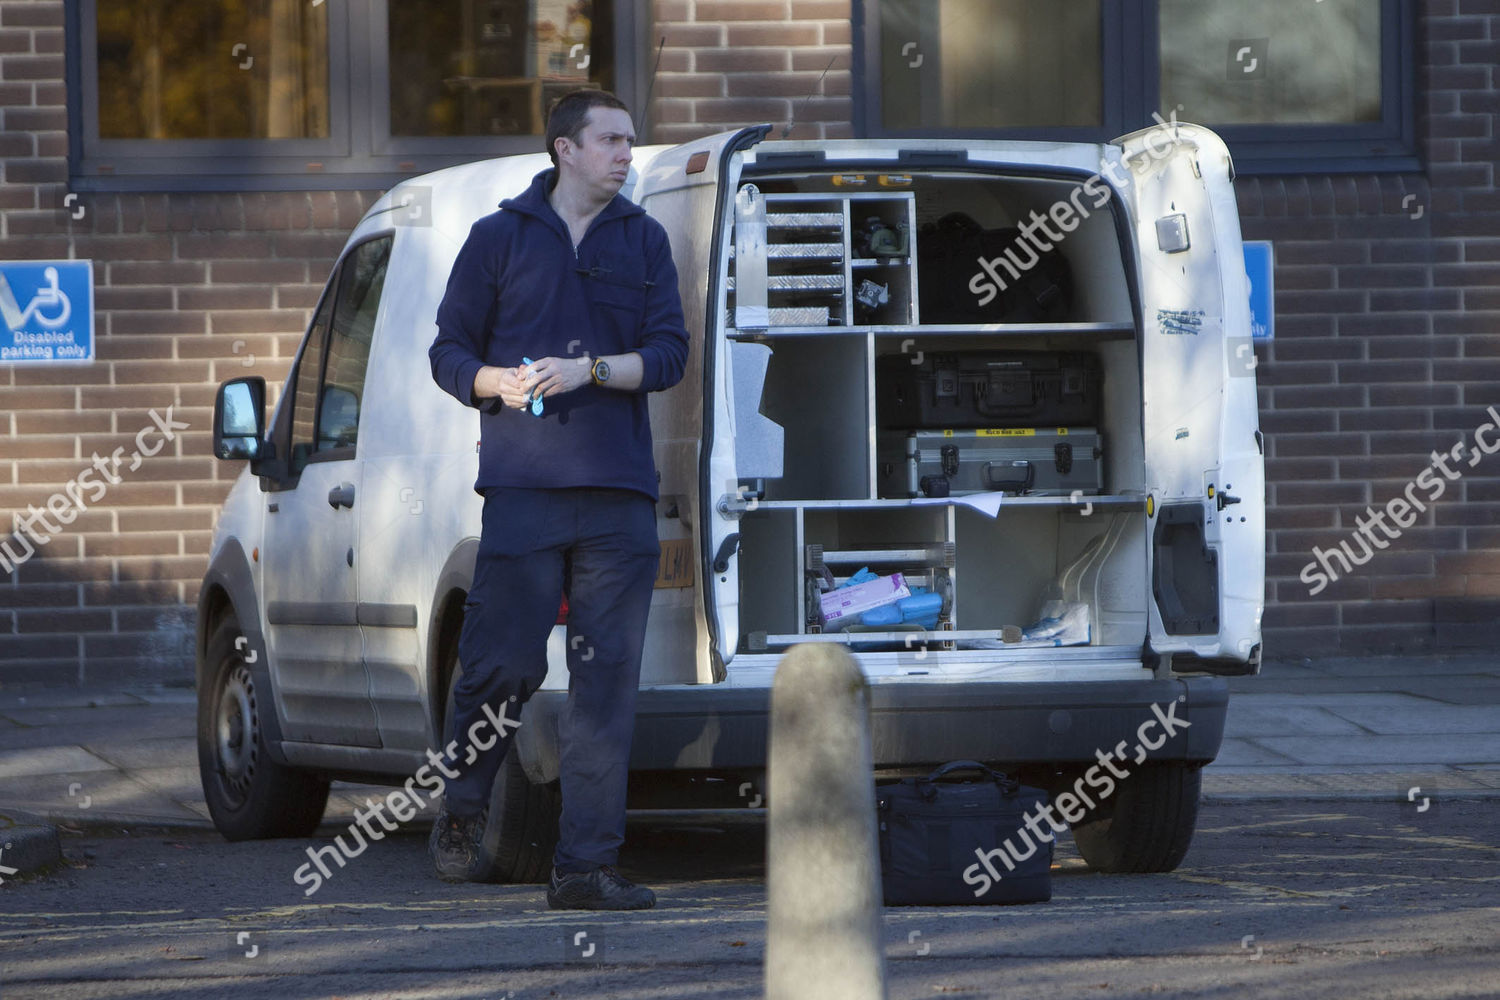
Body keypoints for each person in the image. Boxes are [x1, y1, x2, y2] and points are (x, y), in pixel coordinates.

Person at [426, 90, 689, 910]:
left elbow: (670, 354)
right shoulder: (497, 239)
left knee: (605, 687)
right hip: (523, 492)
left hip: (618, 498)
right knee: (500, 666)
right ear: (563, 149)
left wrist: (592, 371)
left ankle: (584, 868)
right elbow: (447, 350)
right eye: (610, 140)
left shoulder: (643, 241)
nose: (626, 155)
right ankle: (464, 802)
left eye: (631, 141)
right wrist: (492, 382)